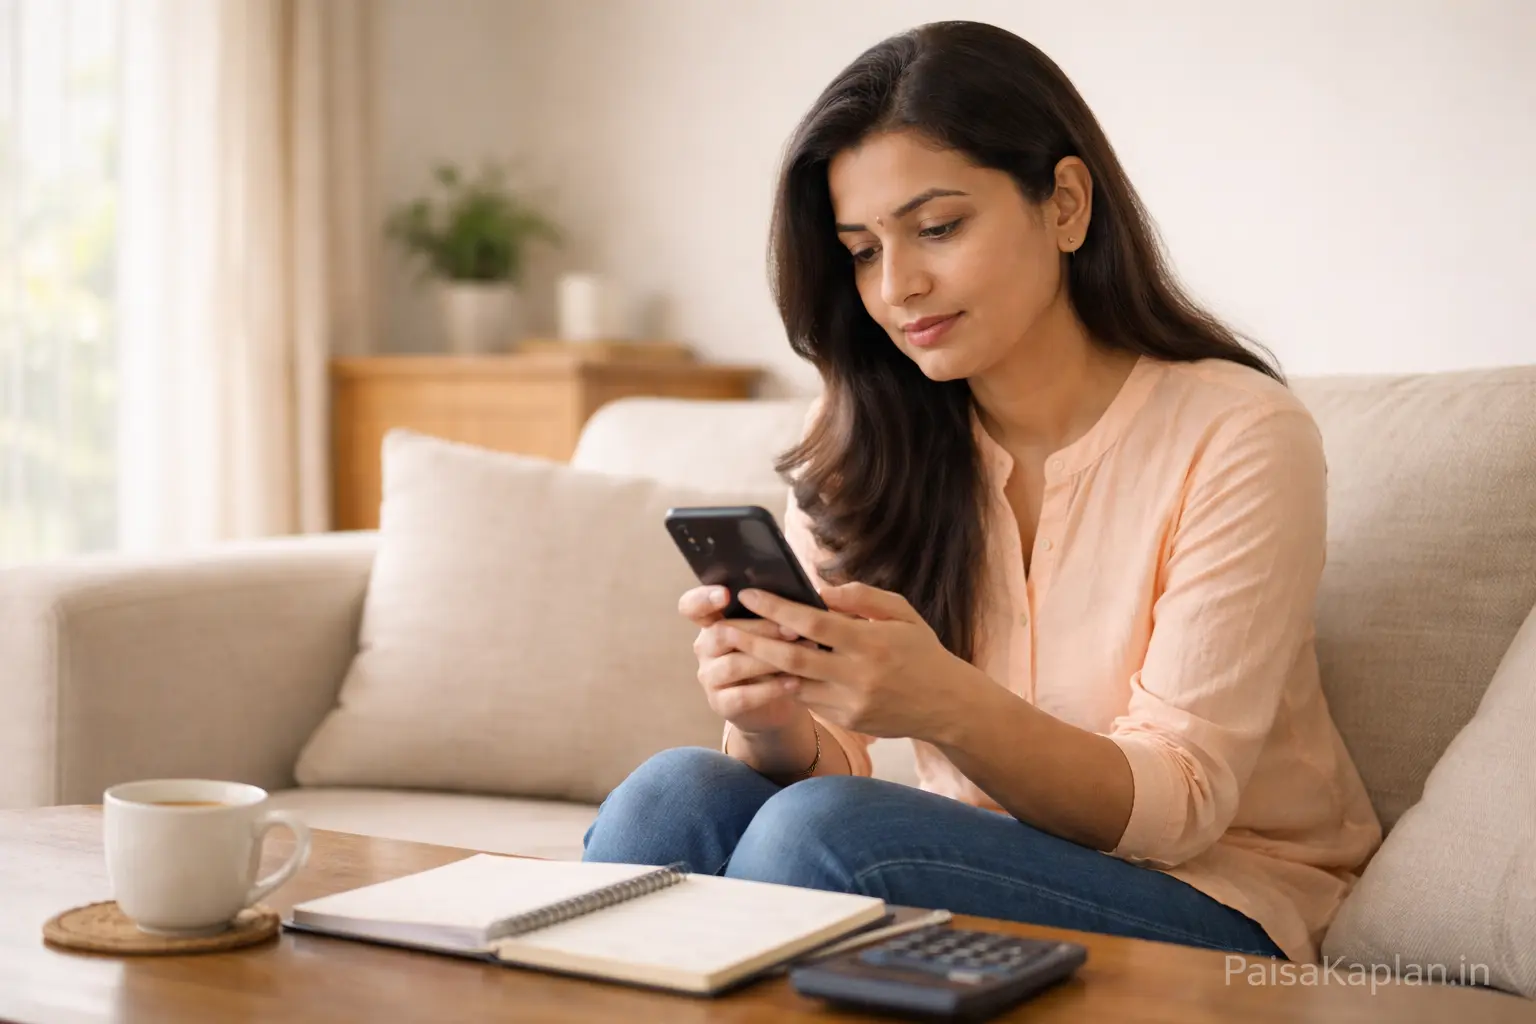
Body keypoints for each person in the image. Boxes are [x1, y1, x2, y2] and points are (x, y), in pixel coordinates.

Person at [583, 20, 1381, 964]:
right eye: (862, 250)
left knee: (824, 836)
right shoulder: (860, 447)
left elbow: (1181, 808)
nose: (899, 287)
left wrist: (945, 701)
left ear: (1067, 204)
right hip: (969, 860)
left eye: (937, 228)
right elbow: (827, 761)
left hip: (1218, 900)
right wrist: (772, 720)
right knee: (674, 797)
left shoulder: (1238, 433)